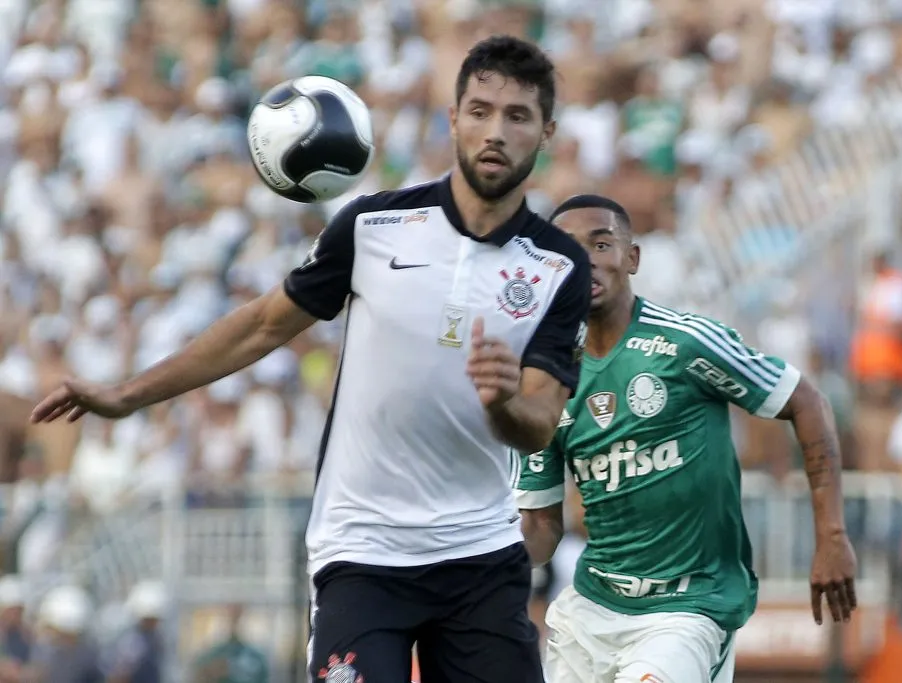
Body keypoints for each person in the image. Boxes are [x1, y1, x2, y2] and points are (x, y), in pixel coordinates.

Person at [30, 35, 591, 683]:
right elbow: (261, 326)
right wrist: (128, 395)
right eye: (481, 110)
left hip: (480, 555)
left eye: (517, 116)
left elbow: (541, 419)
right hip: (362, 553)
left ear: (546, 130)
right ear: (453, 118)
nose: (496, 130)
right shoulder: (373, 227)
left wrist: (503, 402)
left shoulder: (557, 266)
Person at [515, 195, 858, 683]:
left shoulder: (685, 343)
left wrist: (832, 537)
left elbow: (806, 402)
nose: (586, 259)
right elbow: (542, 527)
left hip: (689, 607)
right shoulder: (546, 379)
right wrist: (480, 571)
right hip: (592, 608)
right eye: (569, 249)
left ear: (631, 258)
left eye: (602, 243)